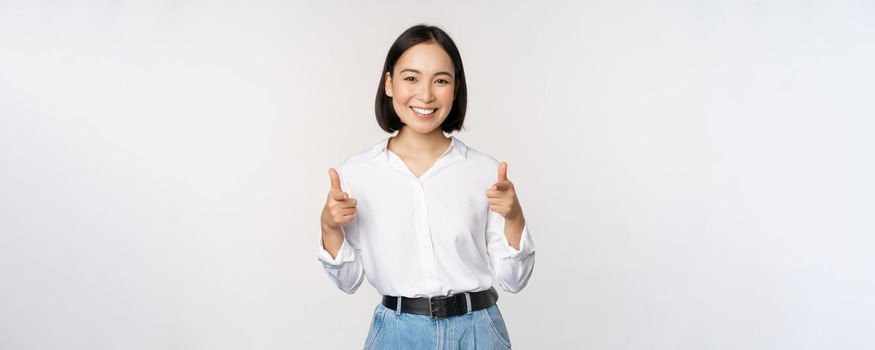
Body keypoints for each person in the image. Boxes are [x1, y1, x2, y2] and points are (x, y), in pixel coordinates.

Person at [317, 24, 536, 350]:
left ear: (455, 88)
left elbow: (514, 281)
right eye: (411, 78)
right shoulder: (359, 172)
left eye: (441, 80)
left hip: (478, 332)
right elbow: (347, 282)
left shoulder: (484, 171)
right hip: (396, 334)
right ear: (389, 83)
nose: (426, 94)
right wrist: (329, 226)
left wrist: (515, 216)